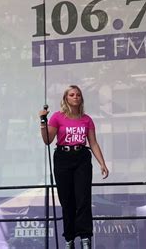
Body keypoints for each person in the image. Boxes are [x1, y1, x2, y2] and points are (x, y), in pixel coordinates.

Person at [39, 85, 109, 249]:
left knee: (83, 199)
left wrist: (102, 163)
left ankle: (85, 237)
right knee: (67, 200)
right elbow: (48, 140)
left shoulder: (86, 119)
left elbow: (93, 142)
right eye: (72, 94)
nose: (75, 97)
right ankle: (69, 238)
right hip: (63, 158)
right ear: (66, 98)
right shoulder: (57, 117)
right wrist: (43, 121)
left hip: (81, 157)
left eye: (78, 94)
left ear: (81, 99)